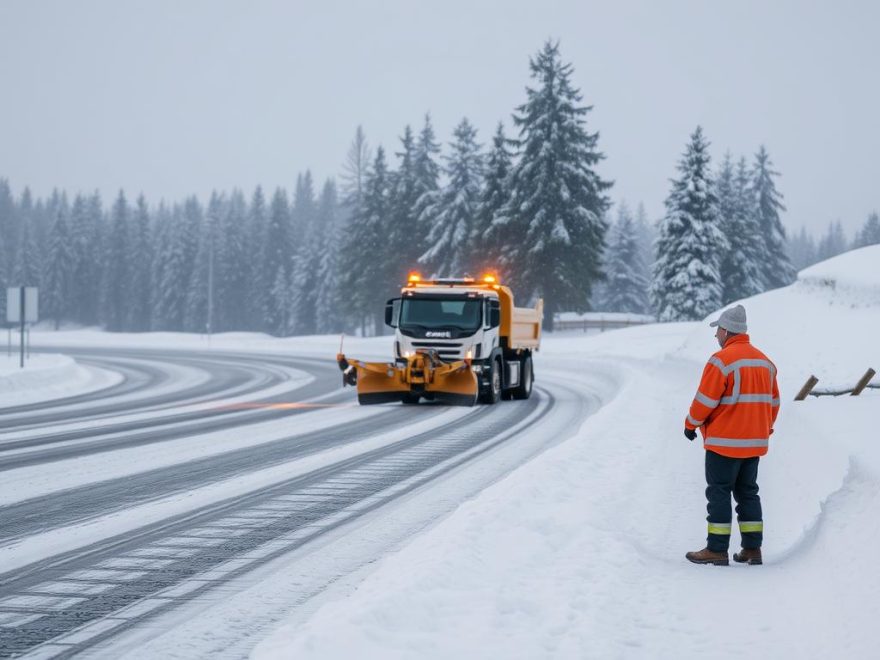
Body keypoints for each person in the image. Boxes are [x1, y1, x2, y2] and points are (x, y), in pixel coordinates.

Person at [683, 304, 780, 566]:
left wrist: (691, 424)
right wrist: (763, 429)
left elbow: (705, 400)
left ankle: (716, 549)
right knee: (748, 494)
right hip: (754, 444)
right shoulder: (765, 363)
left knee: (719, 493)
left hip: (724, 444)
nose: (716, 337)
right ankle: (752, 549)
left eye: (717, 332)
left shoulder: (721, 361)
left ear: (726, 331)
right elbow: (773, 404)